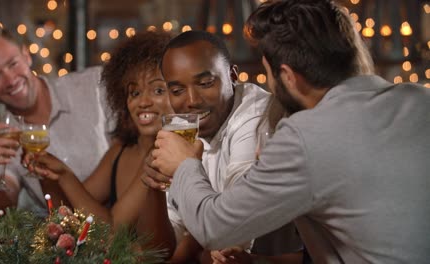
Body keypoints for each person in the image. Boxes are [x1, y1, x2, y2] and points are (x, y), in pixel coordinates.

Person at [147, 0, 430, 263]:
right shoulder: (419, 98)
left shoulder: (302, 136)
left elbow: (216, 229)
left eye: (268, 73)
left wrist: (185, 164)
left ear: (289, 78)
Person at [143, 30, 303, 263]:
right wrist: (154, 186)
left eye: (205, 83)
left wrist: (186, 166)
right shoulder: (180, 128)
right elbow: (157, 251)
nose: (192, 101)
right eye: (177, 91)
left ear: (233, 76)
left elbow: (233, 227)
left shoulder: (257, 114)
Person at [25, 30, 176, 254]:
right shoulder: (120, 151)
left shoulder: (162, 155)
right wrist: (50, 176)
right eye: (134, 93)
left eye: (157, 90)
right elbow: (73, 215)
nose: (143, 102)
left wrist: (65, 176)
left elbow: (113, 230)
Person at [0, 25, 112, 215]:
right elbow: (1, 213)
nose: (10, 80)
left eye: (13, 64)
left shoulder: (94, 84)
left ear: (26, 55)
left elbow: (134, 149)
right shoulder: (2, 141)